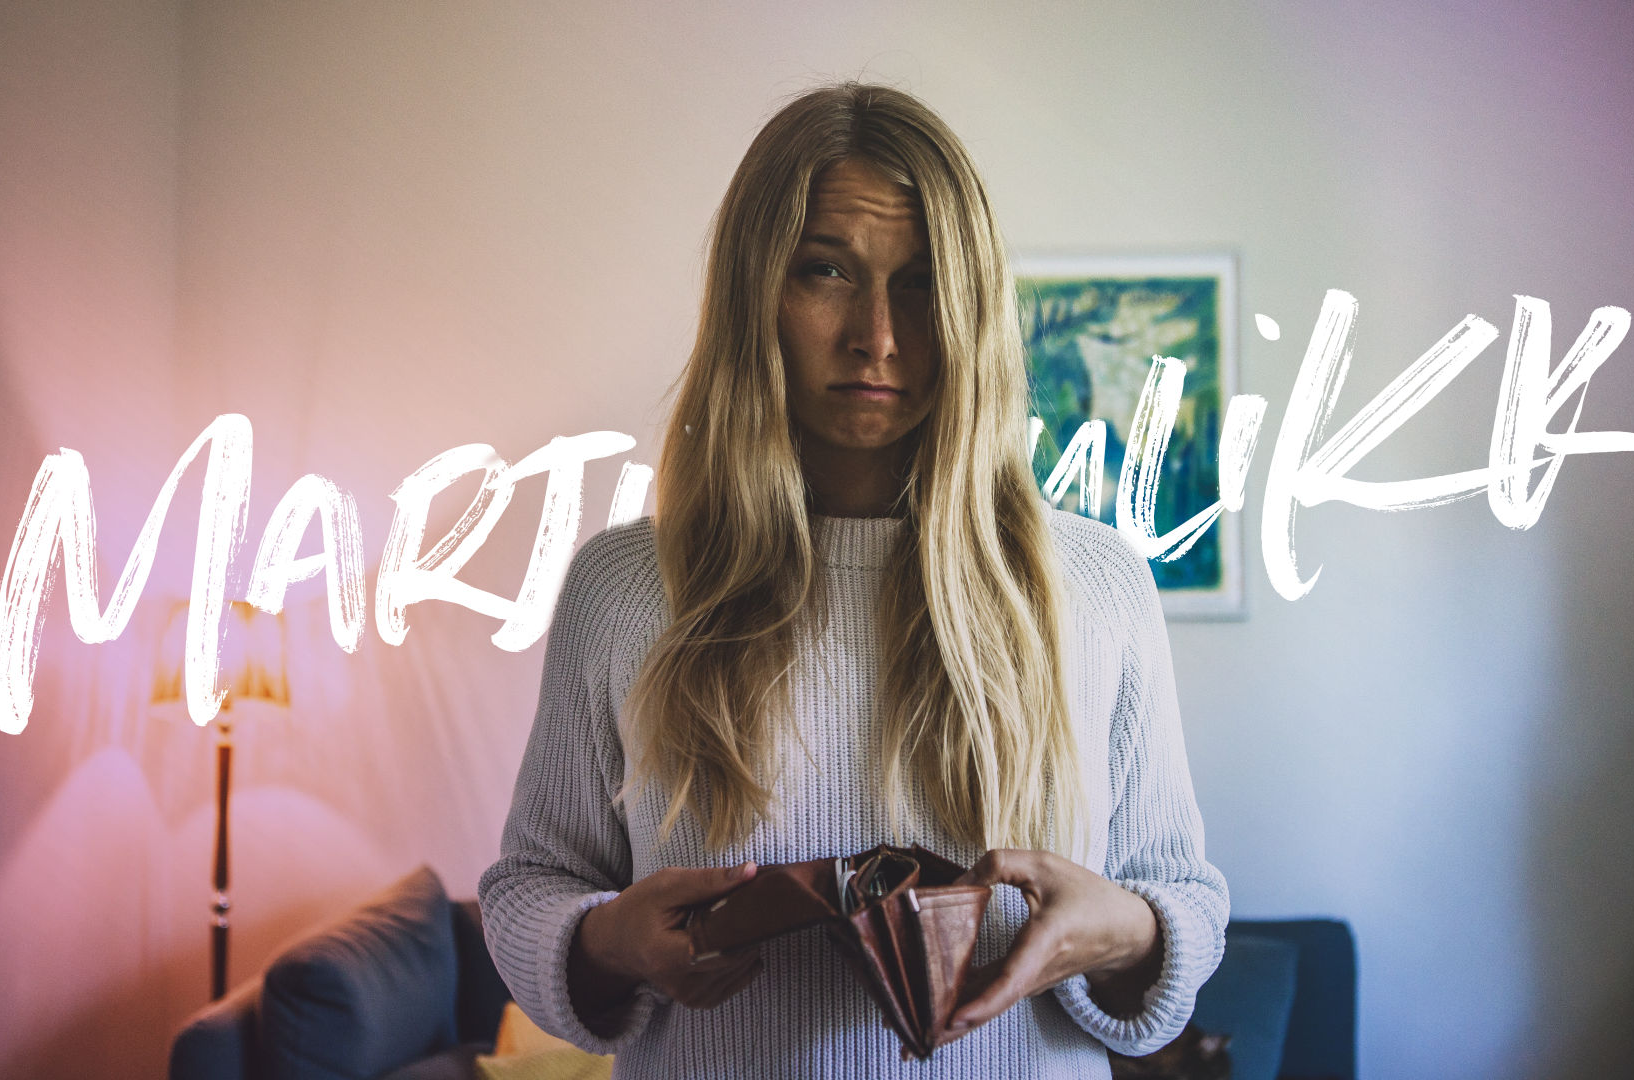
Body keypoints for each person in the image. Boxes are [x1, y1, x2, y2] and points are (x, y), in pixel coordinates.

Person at [477, 82, 1227, 1078]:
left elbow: (1184, 898)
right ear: (755, 294)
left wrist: (1127, 931)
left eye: (919, 284)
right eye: (825, 270)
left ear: (968, 309)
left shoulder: (1098, 588)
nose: (877, 335)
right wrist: (609, 938)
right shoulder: (623, 590)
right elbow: (531, 884)